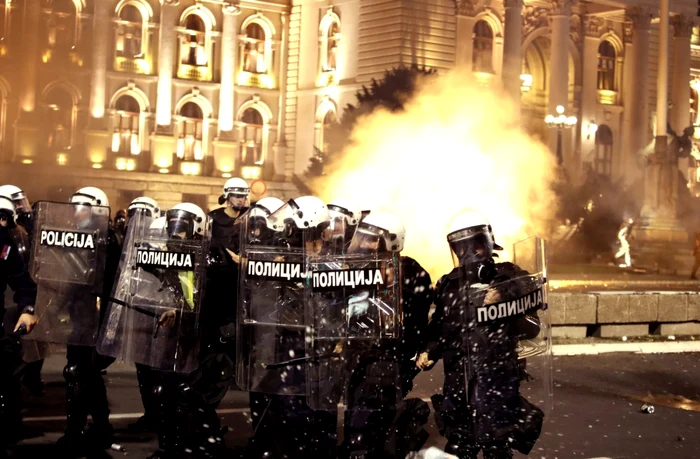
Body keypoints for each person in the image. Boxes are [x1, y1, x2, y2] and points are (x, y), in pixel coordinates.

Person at [417, 211, 544, 459]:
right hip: (458, 370)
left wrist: (503, 293)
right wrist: (429, 350)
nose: (468, 253)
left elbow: (531, 285)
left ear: (485, 244)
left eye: (473, 246)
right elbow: (442, 324)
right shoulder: (449, 283)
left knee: (496, 442)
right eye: (461, 247)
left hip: (497, 369)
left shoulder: (507, 274)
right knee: (460, 443)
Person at [242, 196, 337, 459]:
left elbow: (331, 313)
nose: (286, 235)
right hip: (284, 349)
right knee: (284, 416)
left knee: (306, 418)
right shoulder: (285, 263)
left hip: (311, 353)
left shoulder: (327, 267)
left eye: (290, 230)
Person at [53, 187, 120, 455]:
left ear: (97, 209)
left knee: (81, 374)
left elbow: (101, 280)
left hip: (96, 318)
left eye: (82, 206)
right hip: (82, 316)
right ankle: (101, 428)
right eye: (74, 206)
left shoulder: (106, 240)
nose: (75, 211)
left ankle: (76, 431)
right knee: (84, 374)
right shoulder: (81, 236)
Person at [0, 196, 37, 457]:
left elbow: (21, 281)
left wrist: (27, 308)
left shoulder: (4, 242)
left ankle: (8, 428)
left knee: (6, 372)